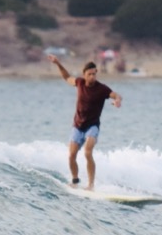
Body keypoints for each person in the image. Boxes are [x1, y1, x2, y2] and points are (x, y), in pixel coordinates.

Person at [47, 54, 122, 190]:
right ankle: (75, 181)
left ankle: (90, 185)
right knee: (71, 155)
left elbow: (116, 95)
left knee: (88, 152)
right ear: (84, 74)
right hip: (77, 126)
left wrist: (117, 100)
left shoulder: (101, 89)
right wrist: (58, 63)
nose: (92, 77)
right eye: (90, 74)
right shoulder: (79, 83)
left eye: (94, 74)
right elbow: (66, 77)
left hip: (92, 126)